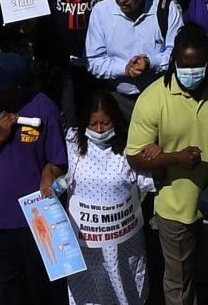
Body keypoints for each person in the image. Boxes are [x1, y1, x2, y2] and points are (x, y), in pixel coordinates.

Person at [126, 26, 208, 305]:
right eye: (184, 66)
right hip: (174, 208)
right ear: (174, 62)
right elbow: (134, 156)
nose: (191, 72)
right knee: (178, 280)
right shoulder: (152, 99)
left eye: (198, 66)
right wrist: (174, 158)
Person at [0, 52, 67, 305]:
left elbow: (58, 161)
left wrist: (48, 171)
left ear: (17, 89)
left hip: (37, 220)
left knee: (40, 290)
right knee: (6, 291)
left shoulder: (43, 107)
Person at [61, 87, 157, 305]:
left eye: (105, 123)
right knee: (89, 285)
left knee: (126, 282)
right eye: (93, 124)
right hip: (86, 241)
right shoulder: (73, 143)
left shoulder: (129, 148)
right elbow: (58, 171)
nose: (99, 129)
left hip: (123, 241)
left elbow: (148, 182)